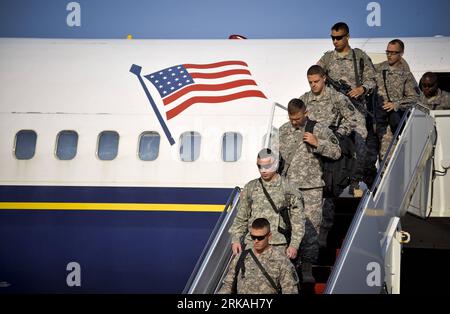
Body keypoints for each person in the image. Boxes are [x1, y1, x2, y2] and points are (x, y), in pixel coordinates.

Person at [299, 64, 366, 247]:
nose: (313, 85)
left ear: (324, 79)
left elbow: (352, 120)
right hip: (309, 152)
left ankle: (323, 233)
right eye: (310, 82)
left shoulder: (337, 98)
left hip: (329, 151)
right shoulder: (305, 100)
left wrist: (336, 136)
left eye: (316, 81)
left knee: (326, 192)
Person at [278, 98, 341, 283]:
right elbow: (279, 159)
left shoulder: (318, 129)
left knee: (311, 231)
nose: (294, 122)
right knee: (288, 228)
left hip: (312, 188)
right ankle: (288, 269)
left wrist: (317, 143)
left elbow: (337, 152)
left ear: (305, 113)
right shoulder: (283, 131)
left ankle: (307, 269)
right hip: (289, 188)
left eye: (297, 118)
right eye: (291, 118)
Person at [317, 21, 378, 194]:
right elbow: (316, 73)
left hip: (356, 109)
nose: (335, 41)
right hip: (334, 111)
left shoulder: (358, 56)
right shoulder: (328, 58)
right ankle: (330, 184)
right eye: (332, 38)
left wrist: (362, 89)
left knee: (360, 146)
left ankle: (355, 182)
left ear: (347, 37)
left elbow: (372, 79)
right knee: (330, 144)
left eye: (338, 38)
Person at [229, 148, 305, 261]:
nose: (263, 170)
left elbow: (298, 220)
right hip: (253, 243)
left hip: (277, 244)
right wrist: (235, 239)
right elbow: (241, 217)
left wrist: (294, 245)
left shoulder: (289, 188)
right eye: (260, 166)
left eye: (267, 166)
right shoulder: (251, 187)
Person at [218, 218, 299, 294]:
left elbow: (290, 290)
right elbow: (227, 285)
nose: (256, 241)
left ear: (269, 236)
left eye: (260, 238)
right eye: (253, 237)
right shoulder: (241, 257)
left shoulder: (281, 260)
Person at [374, 39, 420, 161]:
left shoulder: (406, 74)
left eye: (393, 52)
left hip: (388, 125)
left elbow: (415, 97)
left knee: (387, 160)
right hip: (373, 122)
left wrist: (396, 104)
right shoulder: (377, 69)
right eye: (388, 52)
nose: (389, 55)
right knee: (365, 162)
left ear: (401, 53)